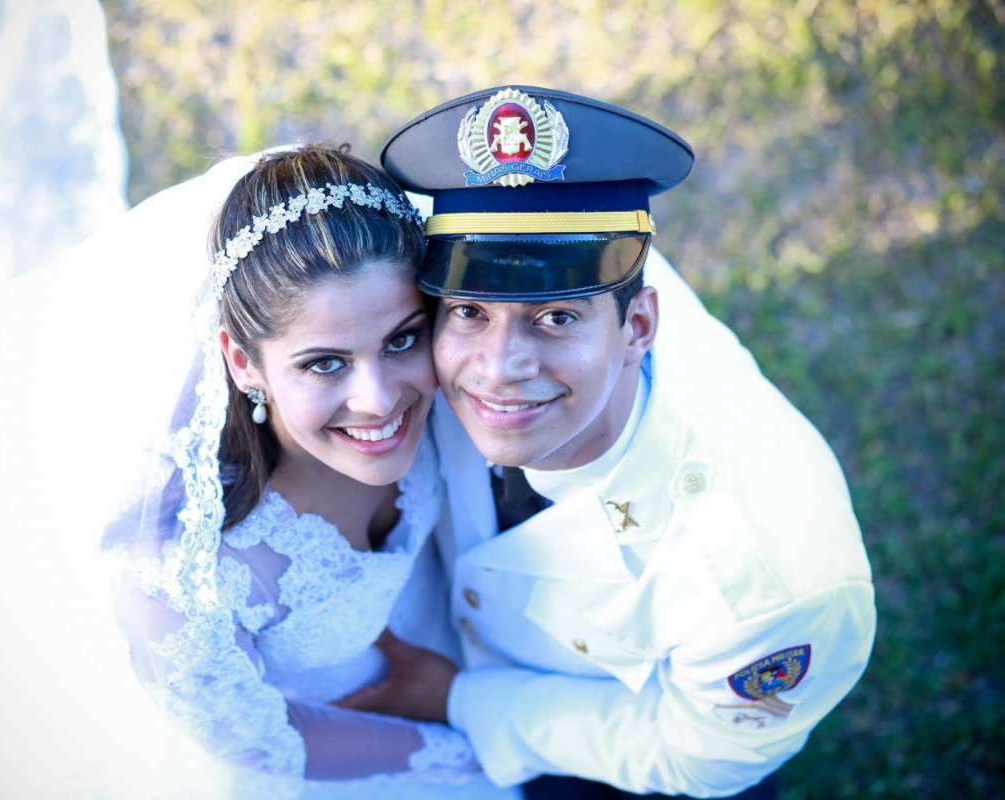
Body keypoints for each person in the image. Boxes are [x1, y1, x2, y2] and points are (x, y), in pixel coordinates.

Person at [338, 86, 877, 798]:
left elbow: (698, 753)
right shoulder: (424, 354)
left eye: (556, 318)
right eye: (469, 309)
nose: (499, 369)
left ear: (640, 327)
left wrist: (464, 701)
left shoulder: (770, 584)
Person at [104, 145, 520, 799]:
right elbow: (258, 741)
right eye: (325, 363)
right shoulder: (182, 582)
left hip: (460, 668)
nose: (380, 400)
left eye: (402, 339)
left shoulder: (452, 389)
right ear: (242, 364)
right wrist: (483, 744)